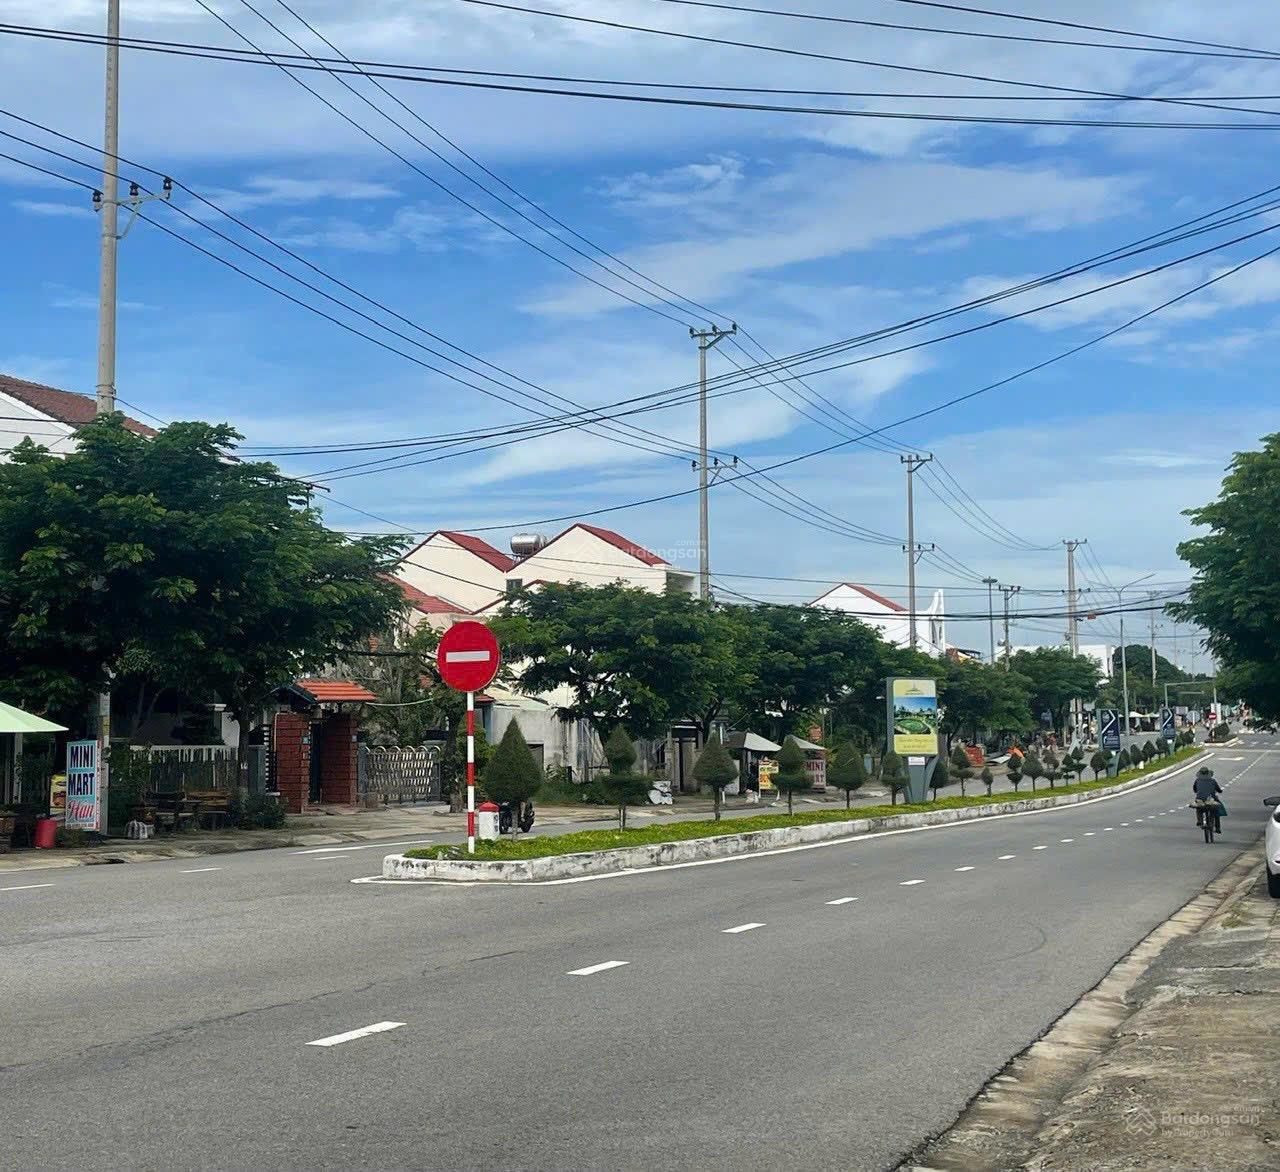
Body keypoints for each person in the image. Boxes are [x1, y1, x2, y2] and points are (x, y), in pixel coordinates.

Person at [1192, 767, 1223, 833]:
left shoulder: (1197, 780)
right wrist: (1220, 791)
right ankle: (1217, 828)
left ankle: (1200, 821)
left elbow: (1195, 789)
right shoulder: (1213, 781)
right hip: (1211, 800)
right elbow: (1218, 789)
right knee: (1216, 811)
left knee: (1199, 809)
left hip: (1200, 800)